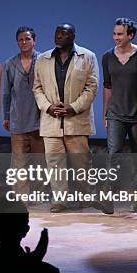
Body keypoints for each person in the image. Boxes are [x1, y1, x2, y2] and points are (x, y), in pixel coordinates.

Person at [33, 23, 105, 213]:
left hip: (77, 120)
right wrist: (48, 107)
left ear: (73, 36)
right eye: (57, 32)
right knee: (55, 163)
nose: (59, 36)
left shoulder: (87, 57)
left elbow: (92, 87)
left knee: (81, 162)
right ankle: (60, 200)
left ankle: (86, 197)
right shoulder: (42, 59)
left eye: (64, 33)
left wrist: (73, 107)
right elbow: (37, 88)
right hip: (51, 121)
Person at [102, 18, 137, 212]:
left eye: (120, 34)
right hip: (115, 114)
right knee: (113, 155)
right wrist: (105, 112)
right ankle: (107, 198)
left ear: (131, 35)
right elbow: (108, 86)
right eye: (114, 33)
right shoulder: (107, 57)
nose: (116, 37)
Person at [3, 26, 44, 196]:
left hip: (39, 120)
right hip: (18, 119)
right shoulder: (10, 63)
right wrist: (6, 116)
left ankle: (39, 194)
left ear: (34, 41)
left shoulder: (43, 60)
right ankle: (21, 195)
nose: (24, 42)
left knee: (40, 162)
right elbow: (6, 92)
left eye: (27, 39)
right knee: (19, 162)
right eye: (20, 39)